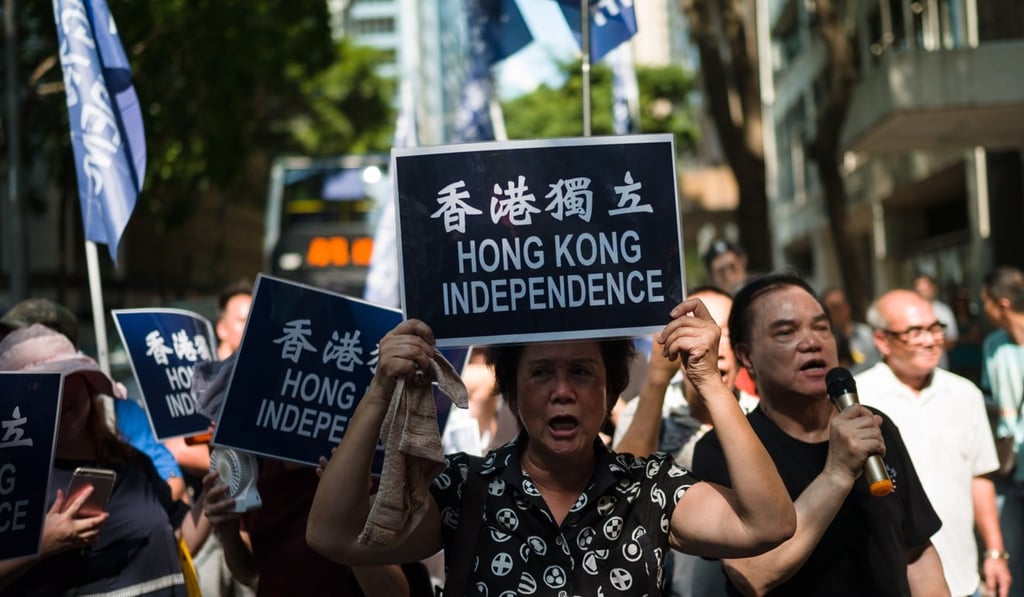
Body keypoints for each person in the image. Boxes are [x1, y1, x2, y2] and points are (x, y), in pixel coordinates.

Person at [306, 298, 797, 594]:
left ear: (610, 390)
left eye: (581, 372)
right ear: (513, 393)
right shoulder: (465, 489)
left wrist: (708, 380)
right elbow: (333, 536)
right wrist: (380, 391)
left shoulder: (650, 490)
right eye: (541, 373)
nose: (563, 391)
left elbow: (769, 524)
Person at [691, 273, 949, 596]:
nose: (812, 342)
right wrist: (836, 474)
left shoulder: (871, 424)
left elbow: (917, 553)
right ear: (746, 356)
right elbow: (752, 575)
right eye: (786, 332)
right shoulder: (723, 449)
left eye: (821, 327)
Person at [0, 324, 203, 595]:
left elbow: (177, 542)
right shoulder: (12, 484)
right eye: (38, 386)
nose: (57, 392)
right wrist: (41, 545)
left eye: (66, 376)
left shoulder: (131, 462)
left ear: (87, 383)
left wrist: (212, 501)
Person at [857, 289, 1011, 597]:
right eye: (915, 332)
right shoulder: (859, 399)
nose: (930, 340)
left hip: (963, 578)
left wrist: (995, 552)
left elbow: (980, 476)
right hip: (892, 582)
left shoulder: (965, 394)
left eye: (935, 328)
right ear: (882, 340)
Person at [613, 286, 752, 597]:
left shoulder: (757, 415)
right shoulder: (649, 412)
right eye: (697, 329)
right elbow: (619, 495)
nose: (712, 344)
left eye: (725, 333)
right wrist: (657, 378)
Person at [0, 298, 186, 500]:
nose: (11, 346)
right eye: (9, 339)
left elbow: (172, 482)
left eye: (34, 337)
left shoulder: (116, 411)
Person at [201, 458, 412, 597]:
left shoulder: (355, 468)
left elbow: (393, 592)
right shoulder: (259, 469)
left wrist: (347, 516)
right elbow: (248, 573)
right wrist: (229, 534)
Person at [981, 266, 1024, 597]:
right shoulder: (993, 345)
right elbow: (991, 400)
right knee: (1012, 562)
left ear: (1003, 304)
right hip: (1008, 468)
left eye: (985, 301)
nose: (983, 308)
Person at [822, 287, 881, 374]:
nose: (839, 311)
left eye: (842, 305)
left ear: (847, 307)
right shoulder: (824, 341)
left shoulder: (867, 334)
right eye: (834, 307)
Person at [913, 273, 960, 368]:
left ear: (933, 288)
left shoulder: (943, 311)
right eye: (918, 290)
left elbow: (952, 340)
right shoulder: (910, 312)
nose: (922, 293)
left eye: (924, 289)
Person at [216, 282, 253, 360]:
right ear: (221, 328)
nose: (251, 326)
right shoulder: (200, 366)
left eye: (254, 321)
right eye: (243, 320)